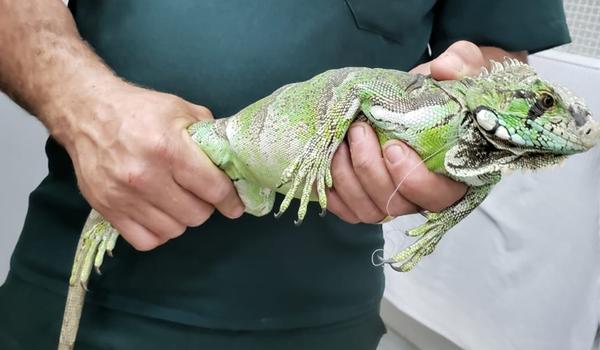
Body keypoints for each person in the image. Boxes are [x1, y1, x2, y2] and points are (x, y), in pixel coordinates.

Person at [0, 1, 568, 349]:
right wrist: (84, 104)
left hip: (323, 310)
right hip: (77, 282)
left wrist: (469, 124)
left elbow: (498, 56)